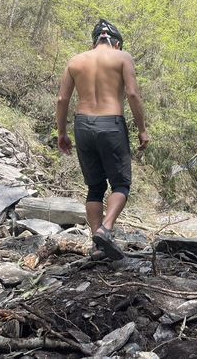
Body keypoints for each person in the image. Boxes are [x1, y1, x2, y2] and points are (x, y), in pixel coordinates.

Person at [56, 19, 149, 260]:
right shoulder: (122, 58)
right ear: (116, 43)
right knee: (121, 184)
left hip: (82, 124)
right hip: (111, 123)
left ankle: (97, 243)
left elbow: (62, 100)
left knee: (95, 186)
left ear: (95, 40)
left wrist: (62, 133)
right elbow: (132, 93)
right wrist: (142, 129)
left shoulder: (75, 60)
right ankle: (106, 230)